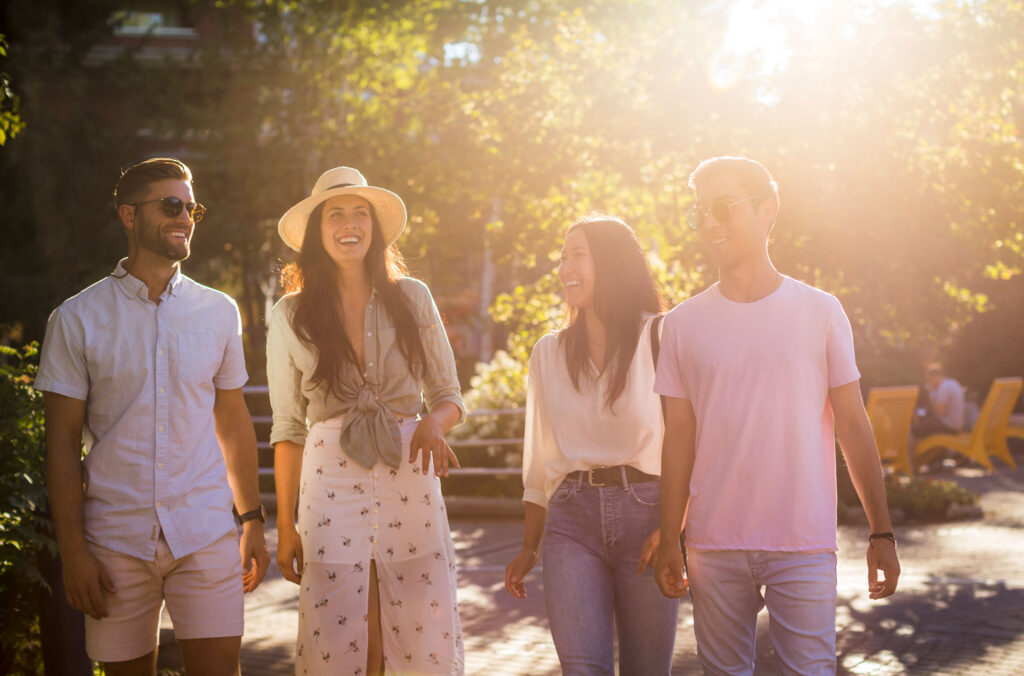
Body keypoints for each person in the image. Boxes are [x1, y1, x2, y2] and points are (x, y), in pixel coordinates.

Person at [654, 157, 901, 675]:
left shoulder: (821, 311)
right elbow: (679, 438)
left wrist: (882, 531)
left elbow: (853, 427)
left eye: (724, 208)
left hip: (803, 543)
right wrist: (670, 536)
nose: (711, 223)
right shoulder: (681, 325)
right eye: (701, 212)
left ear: (768, 211)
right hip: (713, 544)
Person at [36, 157, 270, 674]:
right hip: (113, 542)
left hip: (205, 532)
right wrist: (73, 552)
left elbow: (232, 423)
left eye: (191, 208)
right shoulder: (76, 318)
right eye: (171, 205)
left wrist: (252, 520)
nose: (184, 216)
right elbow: (61, 442)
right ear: (128, 215)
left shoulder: (219, 312)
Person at [268, 166, 466, 675]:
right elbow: (288, 428)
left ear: (375, 228)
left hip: (409, 474)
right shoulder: (289, 315)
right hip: (328, 482)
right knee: (338, 627)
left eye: (361, 214)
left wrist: (433, 423)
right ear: (318, 230)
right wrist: (284, 526)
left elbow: (448, 396)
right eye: (336, 214)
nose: (349, 224)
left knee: (418, 617)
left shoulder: (412, 297)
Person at [504, 215, 679, 676]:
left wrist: (674, 527)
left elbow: (690, 443)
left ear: (613, 263)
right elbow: (540, 461)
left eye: (577, 255)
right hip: (570, 522)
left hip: (649, 517)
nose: (565, 269)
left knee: (647, 670)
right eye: (563, 258)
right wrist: (529, 546)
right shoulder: (548, 352)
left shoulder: (661, 337)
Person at [912, 363, 966, 436]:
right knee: (923, 412)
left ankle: (914, 443)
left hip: (948, 427)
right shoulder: (952, 382)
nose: (929, 382)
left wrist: (930, 394)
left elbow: (940, 412)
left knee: (914, 430)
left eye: (929, 380)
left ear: (934, 377)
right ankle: (916, 414)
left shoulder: (944, 387)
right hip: (954, 425)